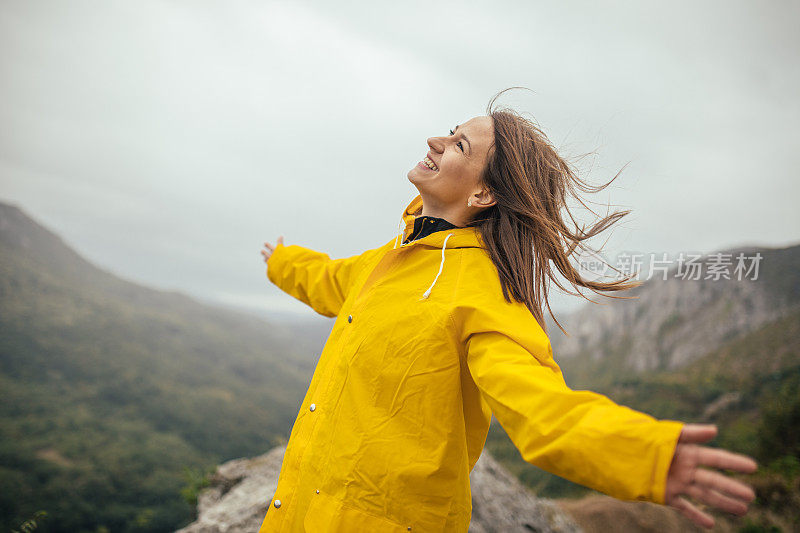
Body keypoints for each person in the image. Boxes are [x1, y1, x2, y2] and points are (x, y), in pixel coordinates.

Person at [258, 89, 758, 532]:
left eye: (459, 146)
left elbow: (543, 409)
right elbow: (326, 278)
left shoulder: (486, 292)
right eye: (451, 133)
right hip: (298, 510)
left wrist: (644, 456)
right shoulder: (390, 260)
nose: (436, 140)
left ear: (483, 193)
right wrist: (282, 261)